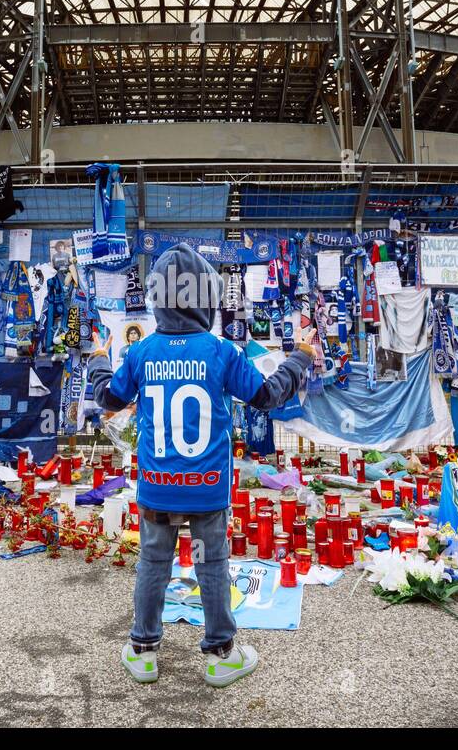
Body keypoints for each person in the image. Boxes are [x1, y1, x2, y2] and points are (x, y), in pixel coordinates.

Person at [86, 243, 314, 687]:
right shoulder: (221, 351)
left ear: (157, 298)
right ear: (207, 296)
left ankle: (143, 650)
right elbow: (266, 396)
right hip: (207, 489)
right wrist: (300, 356)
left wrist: (98, 357)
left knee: (153, 562)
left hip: (158, 486)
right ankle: (221, 654)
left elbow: (107, 399)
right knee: (211, 563)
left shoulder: (142, 352)